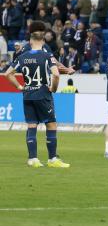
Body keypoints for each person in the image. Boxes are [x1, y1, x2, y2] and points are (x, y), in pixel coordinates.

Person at [4, 21, 69, 168]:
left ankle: (32, 159)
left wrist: (20, 86)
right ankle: (52, 159)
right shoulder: (47, 56)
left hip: (27, 94)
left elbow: (8, 73)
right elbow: (56, 74)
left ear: (30, 41)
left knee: (31, 125)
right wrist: (53, 88)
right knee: (51, 124)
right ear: (43, 41)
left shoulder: (22, 56)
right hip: (43, 93)